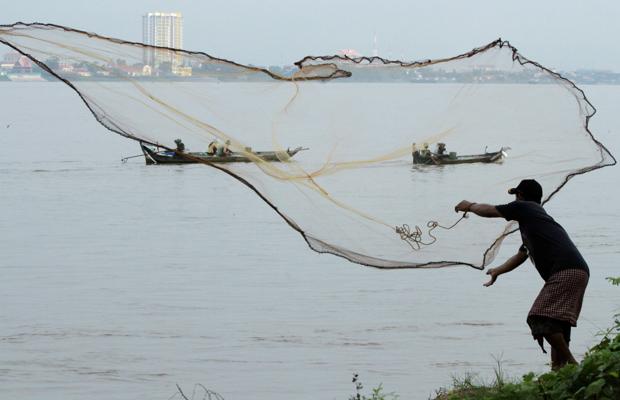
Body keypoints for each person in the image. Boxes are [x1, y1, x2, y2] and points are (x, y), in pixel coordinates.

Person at [454, 179, 589, 370]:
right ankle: (559, 372)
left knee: (539, 318)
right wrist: (498, 271)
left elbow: (490, 211)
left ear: (521, 196)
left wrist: (469, 206)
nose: (515, 199)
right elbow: (521, 255)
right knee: (557, 324)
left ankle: (573, 364)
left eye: (516, 195)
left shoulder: (525, 208)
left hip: (565, 270)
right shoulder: (535, 220)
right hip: (578, 271)